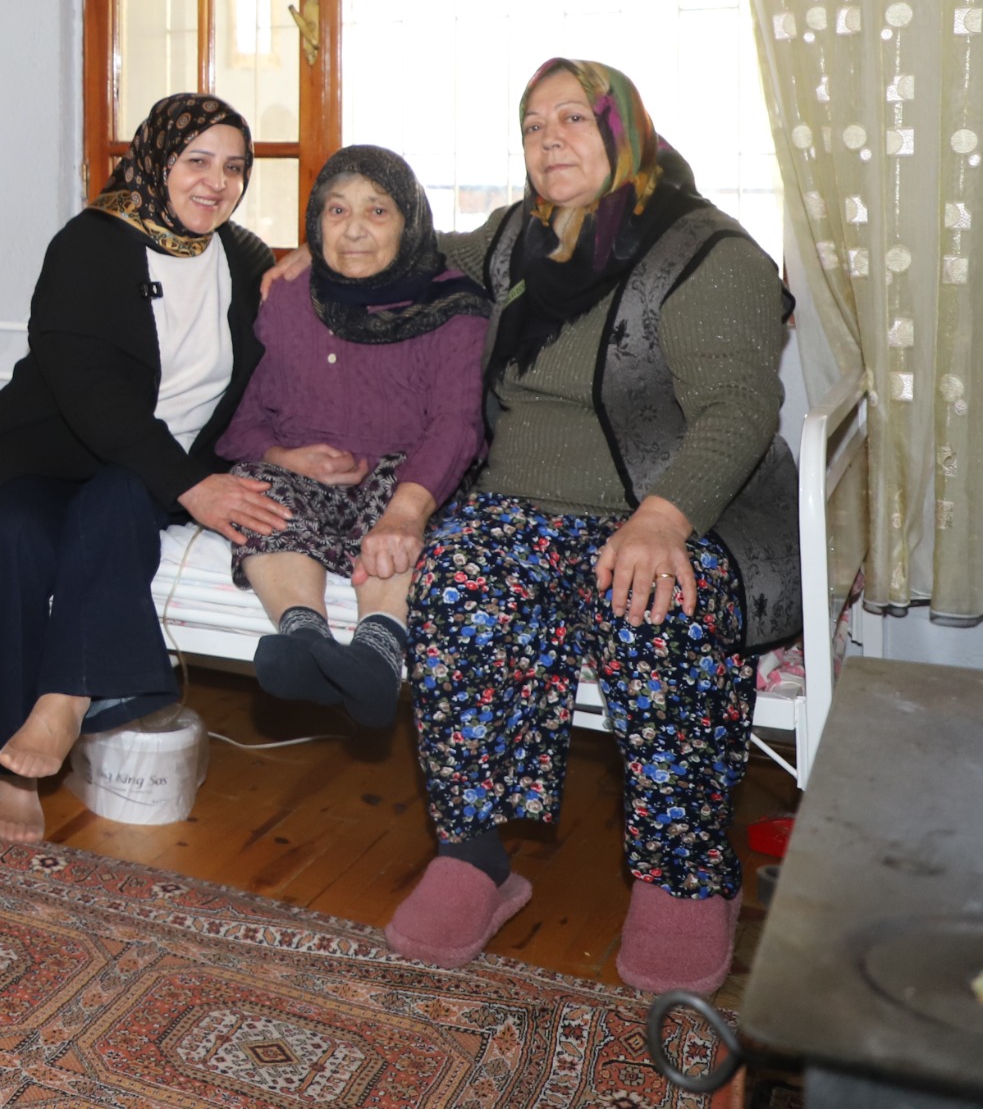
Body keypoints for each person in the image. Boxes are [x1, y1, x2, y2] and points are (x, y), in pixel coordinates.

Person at [337, 60, 795, 996]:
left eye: (574, 118)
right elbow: (424, 255)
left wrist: (662, 518)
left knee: (655, 609)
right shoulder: (520, 237)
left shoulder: (707, 253)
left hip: (666, 506)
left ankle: (685, 876)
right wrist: (312, 254)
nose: (549, 139)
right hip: (518, 503)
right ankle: (472, 856)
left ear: (624, 130)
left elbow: (739, 410)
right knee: (458, 588)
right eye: (533, 124)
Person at [0, 94, 286, 844]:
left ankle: (65, 700)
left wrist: (230, 464)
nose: (217, 183)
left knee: (117, 495)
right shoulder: (90, 246)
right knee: (7, 535)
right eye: (197, 161)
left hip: (153, 464)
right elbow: (92, 396)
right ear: (156, 162)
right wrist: (196, 490)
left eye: (235, 167)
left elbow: (285, 356)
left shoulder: (243, 257)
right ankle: (14, 767)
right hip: (56, 448)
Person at [212, 145, 490, 728]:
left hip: (405, 485)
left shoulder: (454, 305)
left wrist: (405, 512)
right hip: (308, 483)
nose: (355, 230)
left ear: (409, 221)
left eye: (377, 211)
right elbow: (243, 419)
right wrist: (287, 457)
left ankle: (376, 654)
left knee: (401, 483)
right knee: (254, 488)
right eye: (336, 211)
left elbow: (457, 425)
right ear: (316, 223)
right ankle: (304, 639)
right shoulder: (289, 295)